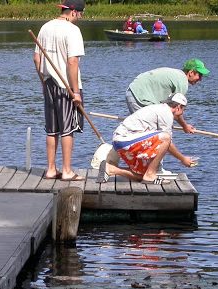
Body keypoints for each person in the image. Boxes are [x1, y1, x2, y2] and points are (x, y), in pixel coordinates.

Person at [33, 0, 86, 181]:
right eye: (81, 14)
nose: (80, 17)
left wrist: (43, 81)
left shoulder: (45, 27)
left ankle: (50, 169)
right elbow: (72, 62)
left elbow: (36, 58)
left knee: (51, 129)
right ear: (73, 12)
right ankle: (67, 170)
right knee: (67, 129)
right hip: (66, 87)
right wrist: (76, 91)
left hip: (48, 83)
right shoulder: (73, 31)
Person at [97, 93, 196, 184]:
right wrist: (183, 159)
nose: (182, 113)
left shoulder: (161, 109)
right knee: (166, 137)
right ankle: (150, 175)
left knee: (141, 176)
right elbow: (168, 143)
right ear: (178, 107)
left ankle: (111, 169)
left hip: (122, 143)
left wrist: (185, 126)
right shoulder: (166, 113)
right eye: (183, 110)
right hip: (125, 140)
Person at [125, 58, 209, 134]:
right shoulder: (182, 82)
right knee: (155, 133)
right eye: (199, 75)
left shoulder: (177, 74)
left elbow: (170, 109)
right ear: (191, 73)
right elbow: (177, 111)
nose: (200, 79)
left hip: (133, 91)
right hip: (139, 96)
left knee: (154, 126)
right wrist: (185, 126)